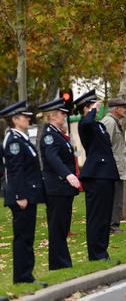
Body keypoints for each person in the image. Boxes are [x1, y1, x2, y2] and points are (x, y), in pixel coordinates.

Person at [1, 101, 46, 285]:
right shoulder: (14, 140)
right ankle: (22, 277)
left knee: (27, 236)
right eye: (25, 117)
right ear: (15, 119)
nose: (28, 119)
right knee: (23, 237)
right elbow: (15, 170)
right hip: (22, 197)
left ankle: (26, 275)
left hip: (27, 194)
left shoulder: (21, 138)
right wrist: (20, 196)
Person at [74, 90, 120, 261]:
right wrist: (91, 110)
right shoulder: (84, 124)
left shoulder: (98, 125)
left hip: (106, 173)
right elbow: (86, 123)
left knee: (105, 216)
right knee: (96, 216)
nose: (98, 109)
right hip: (95, 175)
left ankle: (103, 252)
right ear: (86, 108)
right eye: (94, 106)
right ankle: (96, 253)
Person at [38, 97, 81, 271]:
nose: (64, 116)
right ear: (52, 116)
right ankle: (58, 264)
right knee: (57, 227)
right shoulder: (49, 136)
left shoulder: (58, 134)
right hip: (56, 187)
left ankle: (62, 262)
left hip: (62, 188)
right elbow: (52, 158)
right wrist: (68, 175)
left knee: (62, 226)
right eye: (61, 114)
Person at [100, 98, 126, 234]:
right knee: (114, 197)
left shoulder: (116, 121)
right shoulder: (109, 122)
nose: (125, 109)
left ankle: (114, 225)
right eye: (123, 107)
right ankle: (112, 226)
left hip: (118, 166)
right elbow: (104, 145)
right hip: (113, 167)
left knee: (117, 197)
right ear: (116, 108)